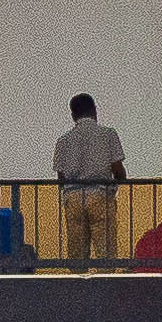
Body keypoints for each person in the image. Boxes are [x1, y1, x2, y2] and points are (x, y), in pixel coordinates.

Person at [50, 89, 129, 262]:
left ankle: (78, 285)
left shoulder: (63, 141)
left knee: (77, 253)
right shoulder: (108, 134)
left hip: (73, 198)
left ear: (73, 115)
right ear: (94, 110)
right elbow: (117, 169)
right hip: (100, 196)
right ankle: (106, 285)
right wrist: (118, 183)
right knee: (106, 251)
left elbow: (61, 177)